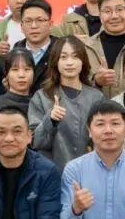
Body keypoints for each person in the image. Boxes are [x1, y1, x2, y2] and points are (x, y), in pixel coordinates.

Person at [29, 35, 104, 170]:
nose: (69, 63)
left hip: (89, 171)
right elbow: (35, 141)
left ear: (83, 61)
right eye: (63, 57)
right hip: (52, 172)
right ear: (55, 62)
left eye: (75, 57)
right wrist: (50, 120)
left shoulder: (96, 97)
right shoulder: (42, 96)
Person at [10, 0, 57, 93]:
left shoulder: (61, 50)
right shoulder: (15, 52)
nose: (34, 26)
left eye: (40, 20)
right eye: (28, 21)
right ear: (21, 26)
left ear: (50, 24)